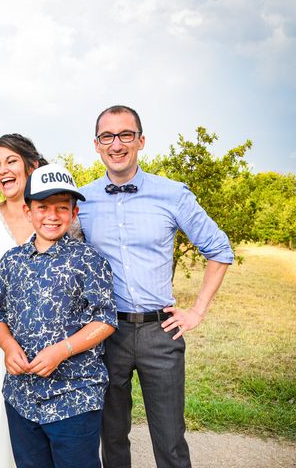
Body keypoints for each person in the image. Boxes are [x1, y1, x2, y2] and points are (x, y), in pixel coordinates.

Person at [78, 105, 234, 467]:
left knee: (170, 439)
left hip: (160, 332)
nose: (117, 144)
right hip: (106, 332)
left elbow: (220, 249)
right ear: (97, 145)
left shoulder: (173, 194)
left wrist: (197, 311)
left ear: (141, 141)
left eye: (126, 135)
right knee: (112, 437)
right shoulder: (82, 202)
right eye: (107, 136)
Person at [0, 164, 117, 468]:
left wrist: (62, 350)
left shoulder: (89, 260)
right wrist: (7, 346)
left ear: (74, 213)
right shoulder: (11, 262)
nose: (52, 216)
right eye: (43, 207)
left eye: (61, 208)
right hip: (22, 397)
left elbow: (105, 319)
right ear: (29, 212)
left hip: (74, 397)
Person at [0, 134, 83, 468]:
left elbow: (77, 267)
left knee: (54, 425)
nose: (2, 170)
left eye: (11, 161)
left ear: (32, 165)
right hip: (2, 339)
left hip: (53, 336)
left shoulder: (54, 215)